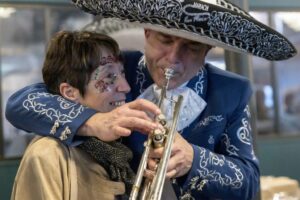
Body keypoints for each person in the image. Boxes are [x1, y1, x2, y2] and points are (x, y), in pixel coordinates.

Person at [6, 0, 297, 199]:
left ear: (207, 50)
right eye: (165, 40)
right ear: (147, 32)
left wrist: (193, 160)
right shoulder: (120, 70)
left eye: (192, 47)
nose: (173, 59)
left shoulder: (231, 91)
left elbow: (248, 183)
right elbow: (22, 103)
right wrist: (94, 121)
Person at [10, 30, 161, 200]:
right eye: (110, 77)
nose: (125, 87)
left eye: (122, 73)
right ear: (69, 92)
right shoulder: (48, 154)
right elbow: (16, 103)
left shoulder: (116, 153)